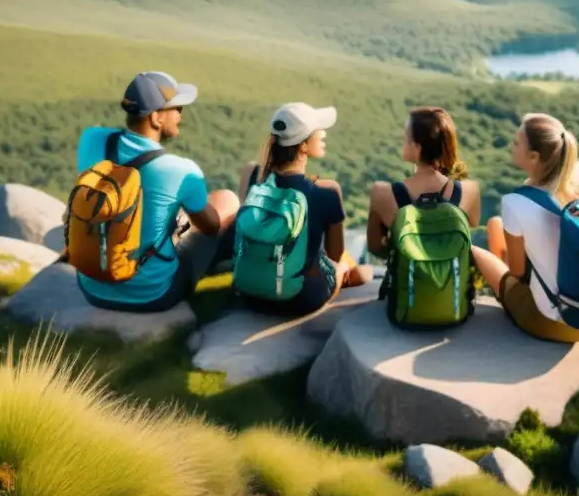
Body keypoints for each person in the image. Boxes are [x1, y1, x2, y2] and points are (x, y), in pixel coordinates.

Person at [74, 71, 239, 312]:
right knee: (226, 201)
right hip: (152, 294)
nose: (181, 116)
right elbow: (211, 227)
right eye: (177, 109)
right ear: (156, 118)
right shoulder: (180, 169)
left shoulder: (92, 139)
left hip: (92, 287)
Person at [470, 112, 579, 343]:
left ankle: (509, 301)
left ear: (533, 156)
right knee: (496, 225)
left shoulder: (518, 203)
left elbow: (517, 272)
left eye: (516, 143)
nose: (511, 146)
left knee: (473, 250)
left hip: (551, 323)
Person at [235, 102, 373, 316]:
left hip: (248, 293)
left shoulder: (252, 174)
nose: (324, 134)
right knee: (361, 272)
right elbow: (335, 256)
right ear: (303, 146)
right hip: (298, 300)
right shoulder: (327, 191)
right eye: (319, 130)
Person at [366, 106, 482, 256]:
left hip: (407, 278)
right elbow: (466, 239)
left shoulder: (381, 193)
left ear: (418, 146)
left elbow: (375, 247)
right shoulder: (470, 191)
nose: (402, 139)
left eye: (406, 135)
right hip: (453, 278)